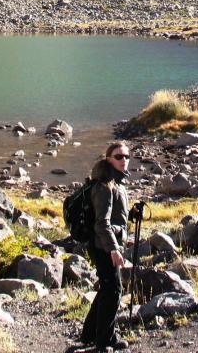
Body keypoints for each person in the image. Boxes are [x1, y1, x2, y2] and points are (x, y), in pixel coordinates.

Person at [78, 142, 132, 352]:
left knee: (107, 288)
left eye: (126, 156)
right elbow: (102, 223)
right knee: (113, 289)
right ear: (108, 159)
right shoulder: (104, 186)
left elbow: (115, 216)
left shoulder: (117, 183)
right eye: (119, 156)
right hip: (102, 246)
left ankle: (89, 334)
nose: (124, 160)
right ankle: (105, 341)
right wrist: (113, 249)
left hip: (107, 243)